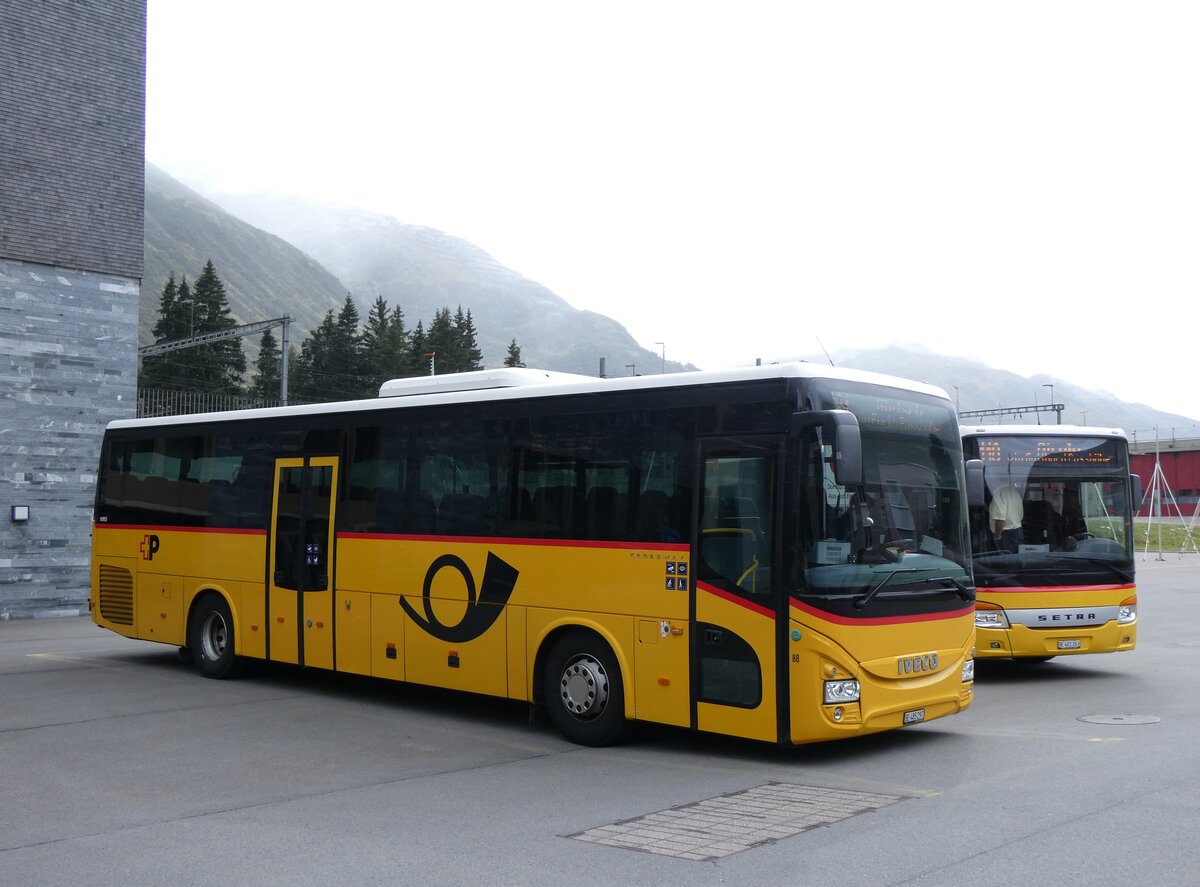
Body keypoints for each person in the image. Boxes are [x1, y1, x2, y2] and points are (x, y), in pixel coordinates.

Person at [989, 480, 1024, 552]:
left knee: (1004, 560)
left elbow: (1000, 518)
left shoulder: (999, 494)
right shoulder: (1015, 493)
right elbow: (1020, 514)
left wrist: (998, 535)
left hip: (1005, 534)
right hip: (1018, 531)